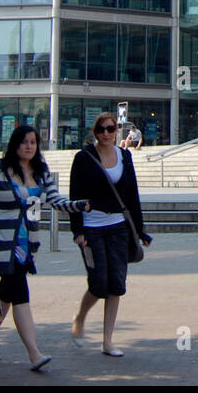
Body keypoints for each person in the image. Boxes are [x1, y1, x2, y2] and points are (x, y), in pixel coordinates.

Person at [0, 125, 88, 370]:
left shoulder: (41, 171)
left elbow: (54, 200)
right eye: (24, 142)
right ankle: (34, 353)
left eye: (33, 142)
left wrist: (79, 205)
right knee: (19, 291)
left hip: (27, 244)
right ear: (14, 144)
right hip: (2, 242)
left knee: (6, 294)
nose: (29, 146)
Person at [69, 112, 153, 356]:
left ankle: (108, 341)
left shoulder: (124, 156)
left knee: (116, 284)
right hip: (92, 228)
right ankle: (80, 318)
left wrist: (140, 230)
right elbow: (75, 196)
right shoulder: (84, 158)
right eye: (101, 129)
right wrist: (78, 231)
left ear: (117, 130)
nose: (106, 133)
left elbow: (132, 196)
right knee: (98, 284)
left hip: (118, 227)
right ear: (95, 132)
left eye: (111, 128)